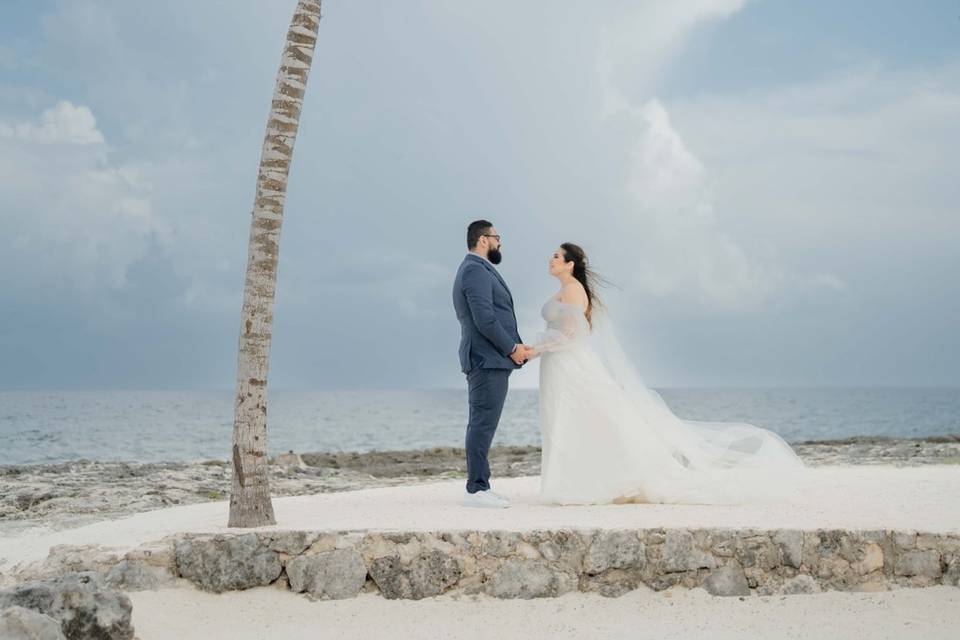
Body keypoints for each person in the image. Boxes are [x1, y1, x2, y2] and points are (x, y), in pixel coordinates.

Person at [529, 243, 805, 505]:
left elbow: (572, 335)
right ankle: (574, 480)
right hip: (561, 364)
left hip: (572, 364)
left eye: (556, 256)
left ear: (570, 264)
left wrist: (533, 351)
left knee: (579, 417)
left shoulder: (574, 290)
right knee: (569, 418)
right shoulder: (565, 289)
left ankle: (589, 482)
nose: (550, 259)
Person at [452, 220, 533, 508]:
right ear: (483, 240)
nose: (500, 243)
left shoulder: (478, 269)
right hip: (487, 359)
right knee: (482, 423)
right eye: (497, 237)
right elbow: (484, 318)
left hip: (490, 358)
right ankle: (476, 490)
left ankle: (481, 486)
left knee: (484, 422)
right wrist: (512, 348)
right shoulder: (475, 269)